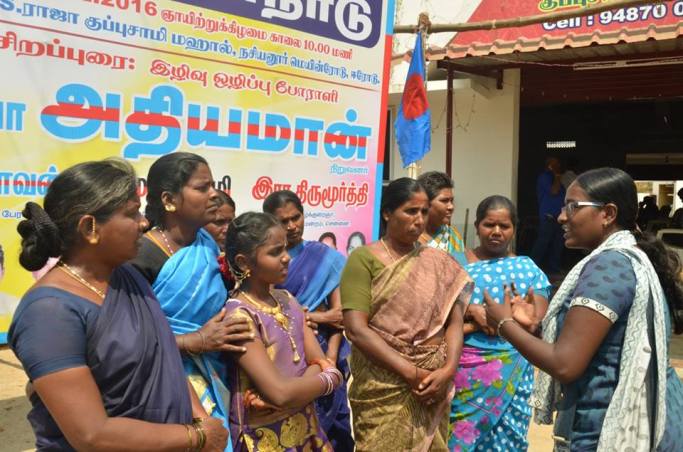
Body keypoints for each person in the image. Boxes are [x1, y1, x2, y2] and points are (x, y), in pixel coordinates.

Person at [9, 159, 227, 451]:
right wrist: (196, 437)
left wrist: (201, 421)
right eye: (131, 213)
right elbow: (92, 435)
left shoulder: (128, 278)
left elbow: (164, 358)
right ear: (90, 228)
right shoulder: (49, 313)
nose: (144, 222)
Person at [484, 168, 683, 451]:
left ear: (608, 213)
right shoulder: (631, 258)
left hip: (608, 430)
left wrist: (504, 324)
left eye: (573, 206)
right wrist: (536, 328)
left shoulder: (608, 266)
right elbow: (604, 344)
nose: (563, 216)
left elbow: (565, 363)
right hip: (657, 418)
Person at [130, 152, 251, 450]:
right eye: (202, 188)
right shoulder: (140, 256)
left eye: (213, 186)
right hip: (168, 383)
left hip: (220, 369)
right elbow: (131, 339)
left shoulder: (205, 243)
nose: (213, 195)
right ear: (169, 200)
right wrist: (194, 341)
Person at [341, 177, 473, 451]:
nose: (419, 219)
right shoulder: (363, 259)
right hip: (383, 385)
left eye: (424, 212)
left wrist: (448, 370)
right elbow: (356, 329)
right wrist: (411, 373)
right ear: (388, 213)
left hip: (433, 383)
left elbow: (455, 321)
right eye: (410, 211)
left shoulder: (438, 262)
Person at [223, 212, 341, 451]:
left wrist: (291, 391)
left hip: (306, 431)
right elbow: (282, 392)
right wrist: (323, 378)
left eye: (285, 249)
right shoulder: (240, 316)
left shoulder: (287, 300)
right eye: (275, 252)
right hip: (264, 440)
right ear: (244, 263)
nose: (286, 258)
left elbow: (322, 365)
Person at [448, 196, 551, 451]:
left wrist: (519, 316)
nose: (496, 232)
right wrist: (473, 313)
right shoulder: (453, 264)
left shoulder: (528, 269)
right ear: (476, 226)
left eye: (504, 226)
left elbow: (537, 323)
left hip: (513, 372)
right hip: (464, 370)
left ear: (514, 228)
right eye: (489, 225)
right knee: (459, 440)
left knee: (510, 438)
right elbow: (435, 316)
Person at [263, 190, 353, 451]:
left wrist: (331, 360)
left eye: (296, 217)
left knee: (335, 429)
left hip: (325, 351)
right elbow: (262, 309)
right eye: (283, 221)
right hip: (282, 355)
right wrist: (310, 317)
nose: (292, 226)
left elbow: (339, 317)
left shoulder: (326, 257)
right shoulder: (265, 261)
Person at [417, 171, 467, 266]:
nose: (451, 206)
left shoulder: (454, 236)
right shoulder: (410, 239)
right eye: (444, 201)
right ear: (425, 203)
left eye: (451, 200)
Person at [530, 156, 565, 276]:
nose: (558, 166)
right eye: (555, 164)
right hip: (548, 216)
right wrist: (557, 176)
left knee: (557, 244)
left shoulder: (558, 180)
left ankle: (553, 269)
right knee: (542, 244)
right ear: (549, 165)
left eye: (558, 164)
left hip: (559, 217)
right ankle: (532, 269)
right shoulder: (544, 177)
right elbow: (554, 191)